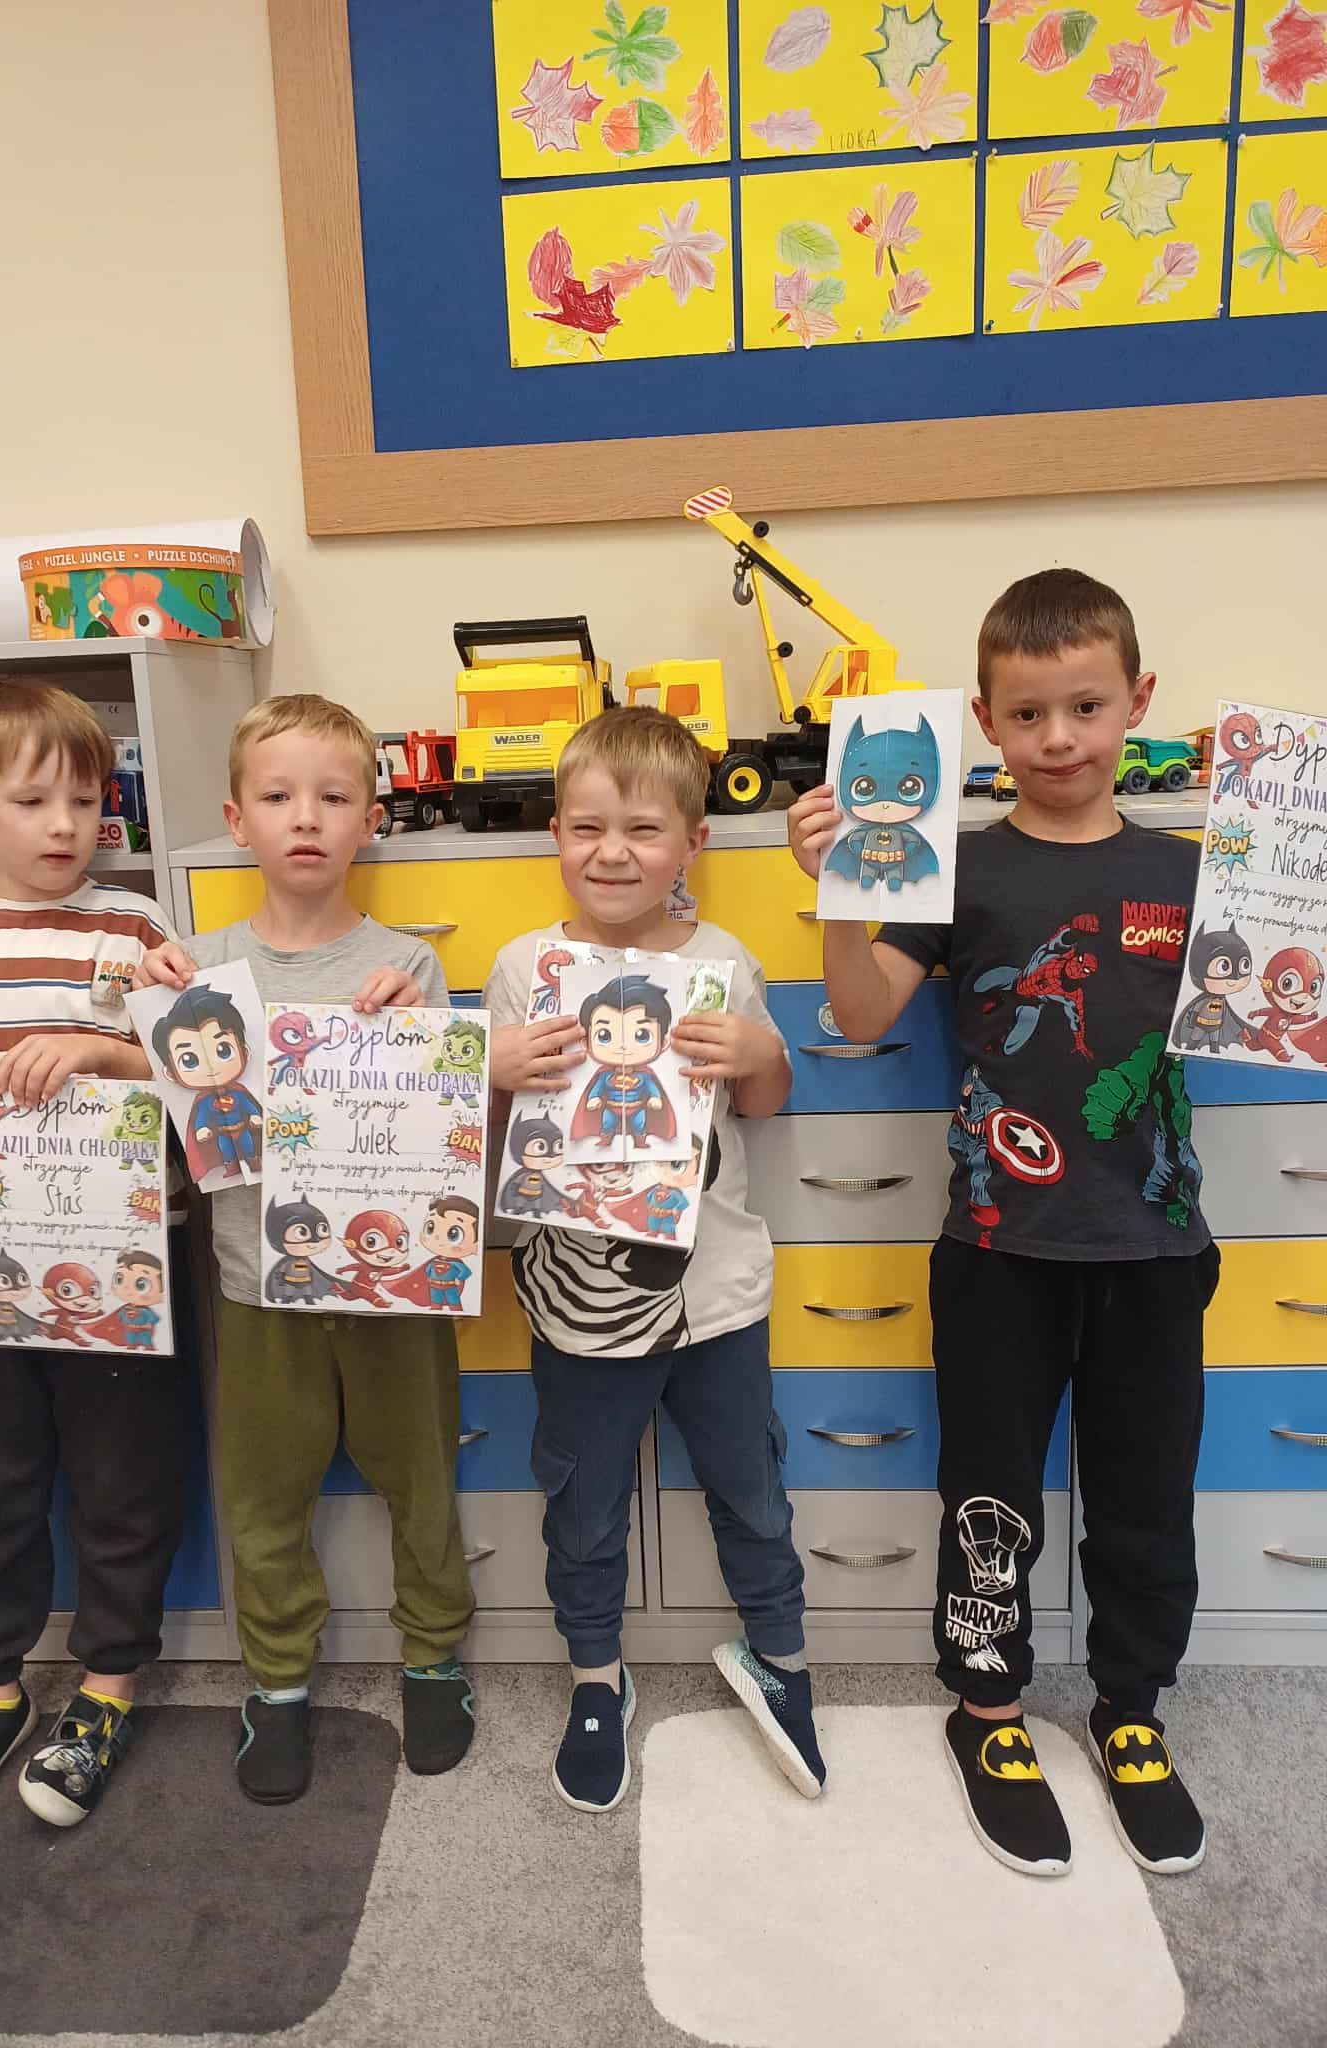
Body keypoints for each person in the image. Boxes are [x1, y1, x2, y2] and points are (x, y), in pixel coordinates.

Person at [789, 567, 1215, 1880]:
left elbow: (1282, 1004)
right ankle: (988, 1710)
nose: (1060, 739)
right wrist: (838, 885)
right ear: (985, 721)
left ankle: (1132, 1710)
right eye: (1028, 715)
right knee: (989, 1498)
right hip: (994, 1253)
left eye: (1087, 707)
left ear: (1138, 701)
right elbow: (861, 1013)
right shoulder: (951, 867)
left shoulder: (1193, 871)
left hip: (1155, 1249)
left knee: (1147, 1500)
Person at [132, 694, 476, 1803]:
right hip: (256, 1286)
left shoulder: (408, 965)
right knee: (263, 1494)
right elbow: (163, 1120)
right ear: (238, 820)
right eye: (279, 796)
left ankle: (434, 1656)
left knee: (421, 1478)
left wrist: (417, 1030)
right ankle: (276, 1680)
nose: (306, 817)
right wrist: (141, 1014)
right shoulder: (199, 969)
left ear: (372, 817)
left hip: (393, 1284)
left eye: (333, 796)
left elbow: (447, 1124)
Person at [484, 706, 825, 1814]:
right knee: (581, 1503)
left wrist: (761, 1051)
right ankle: (597, 1674)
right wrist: (492, 1069)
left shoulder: (722, 962)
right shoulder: (524, 967)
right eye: (587, 826)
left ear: (693, 842)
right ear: (555, 834)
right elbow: (485, 1135)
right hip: (576, 1303)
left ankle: (781, 1656)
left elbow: (763, 1105)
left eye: (643, 828)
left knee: (751, 1486)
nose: (614, 852)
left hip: (715, 1295)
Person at [0, 675, 186, 1834]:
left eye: (87, 800)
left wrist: (105, 1048)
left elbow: (198, 1066)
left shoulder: (135, 928)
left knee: (124, 1479)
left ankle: (107, 1686)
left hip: (121, 1261)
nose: (66, 824)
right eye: (33, 800)